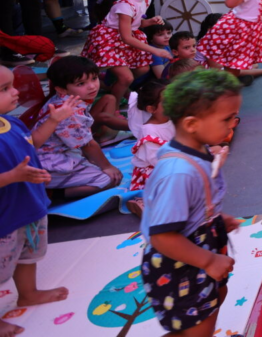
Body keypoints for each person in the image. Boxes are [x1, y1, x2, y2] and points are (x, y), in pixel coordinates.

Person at [140, 70, 242, 335]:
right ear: (192, 124)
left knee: (216, 298)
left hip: (200, 246)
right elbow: (162, 236)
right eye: (227, 119)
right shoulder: (178, 172)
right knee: (199, 323)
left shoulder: (198, 149)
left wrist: (215, 218)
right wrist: (208, 261)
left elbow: (194, 202)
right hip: (180, 263)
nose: (233, 125)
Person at [0, 64, 70, 337]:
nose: (15, 92)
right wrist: (12, 176)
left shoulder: (12, 122)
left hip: (29, 205)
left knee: (29, 255)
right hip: (5, 216)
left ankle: (28, 294)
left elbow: (33, 143)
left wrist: (54, 120)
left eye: (12, 85)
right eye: (4, 89)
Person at [34, 56, 123, 199]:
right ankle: (51, 195)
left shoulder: (69, 100)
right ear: (61, 89)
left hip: (58, 153)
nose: (92, 86)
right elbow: (88, 145)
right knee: (109, 179)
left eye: (94, 78)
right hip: (48, 162)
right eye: (81, 83)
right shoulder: (69, 111)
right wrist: (107, 167)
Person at [82, 0, 172, 105]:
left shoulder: (146, 0)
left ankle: (116, 87)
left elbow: (135, 23)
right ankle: (113, 107)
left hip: (126, 37)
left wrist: (149, 22)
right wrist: (155, 50)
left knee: (143, 69)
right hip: (110, 40)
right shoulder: (124, 5)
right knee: (127, 78)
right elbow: (126, 37)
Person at [128, 80, 173, 201]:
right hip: (154, 168)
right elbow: (155, 160)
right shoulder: (148, 130)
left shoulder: (172, 119)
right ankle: (141, 204)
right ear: (152, 109)